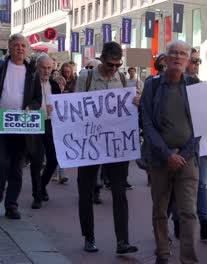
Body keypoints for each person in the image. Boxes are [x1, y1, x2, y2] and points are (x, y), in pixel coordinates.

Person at [49, 41, 138, 254]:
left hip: (116, 147)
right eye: (110, 64)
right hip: (88, 146)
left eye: (118, 65)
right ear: (101, 58)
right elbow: (74, 107)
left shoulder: (124, 79)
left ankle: (122, 241)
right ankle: (89, 237)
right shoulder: (85, 78)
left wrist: (136, 101)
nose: (114, 69)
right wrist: (58, 110)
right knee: (86, 191)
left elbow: (130, 110)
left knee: (119, 192)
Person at [141, 40, 200, 264]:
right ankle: (163, 253)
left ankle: (189, 259)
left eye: (182, 54)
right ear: (165, 58)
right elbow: (146, 123)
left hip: (188, 159)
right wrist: (167, 154)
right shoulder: (152, 86)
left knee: (188, 213)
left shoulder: (195, 85)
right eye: (173, 53)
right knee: (160, 210)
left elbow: (201, 125)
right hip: (160, 159)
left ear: (188, 59)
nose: (177, 57)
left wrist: (183, 155)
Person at [168, 47, 207, 241]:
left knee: (202, 185)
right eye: (194, 61)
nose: (197, 65)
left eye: (199, 62)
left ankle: (204, 223)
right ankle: (177, 222)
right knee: (175, 187)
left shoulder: (202, 85)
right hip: (178, 147)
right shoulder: (171, 85)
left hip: (200, 146)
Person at [0, 33, 41, 219]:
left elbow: (37, 100)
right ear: (9, 47)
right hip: (1, 125)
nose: (20, 48)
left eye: (23, 46)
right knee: (1, 165)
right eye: (16, 45)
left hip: (21, 126)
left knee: (16, 167)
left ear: (27, 49)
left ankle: (11, 205)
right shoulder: (1, 67)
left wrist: (30, 107)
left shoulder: (32, 72)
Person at [28, 55, 61, 209]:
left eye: (49, 68)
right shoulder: (29, 83)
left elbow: (61, 106)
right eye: (43, 67)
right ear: (37, 67)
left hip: (49, 124)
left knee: (54, 158)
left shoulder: (54, 85)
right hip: (35, 124)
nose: (46, 71)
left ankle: (42, 185)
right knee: (36, 160)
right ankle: (37, 196)